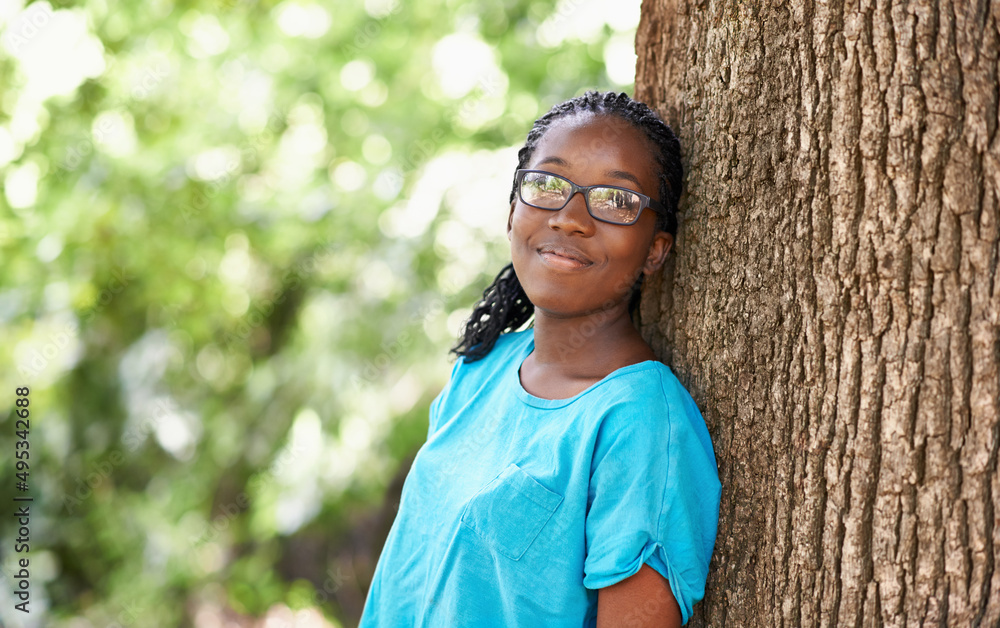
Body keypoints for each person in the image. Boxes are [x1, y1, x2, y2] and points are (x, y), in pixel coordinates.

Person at [359, 91, 720, 627]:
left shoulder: (641, 421)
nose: (571, 218)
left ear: (655, 250)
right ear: (512, 212)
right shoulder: (480, 369)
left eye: (616, 200)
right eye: (547, 185)